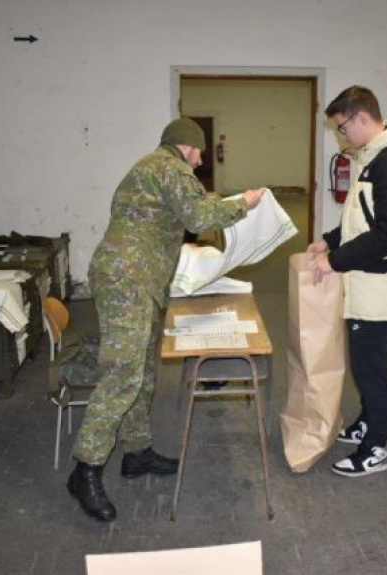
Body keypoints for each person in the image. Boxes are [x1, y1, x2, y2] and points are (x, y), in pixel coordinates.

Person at [67, 118, 266, 521]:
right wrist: (243, 203)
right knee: (123, 374)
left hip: (132, 278)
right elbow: (198, 217)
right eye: (199, 152)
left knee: (141, 370)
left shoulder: (151, 168)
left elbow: (185, 207)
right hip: (129, 280)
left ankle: (137, 452)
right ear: (186, 147)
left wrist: (221, 200)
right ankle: (85, 469)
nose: (200, 160)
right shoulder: (170, 167)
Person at [308, 86, 387, 478]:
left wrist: (334, 261)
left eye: (342, 128)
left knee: (371, 370)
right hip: (372, 283)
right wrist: (329, 241)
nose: (341, 136)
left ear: (362, 117)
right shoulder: (375, 157)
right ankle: (367, 421)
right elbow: (361, 220)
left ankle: (375, 447)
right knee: (366, 364)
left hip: (383, 287)